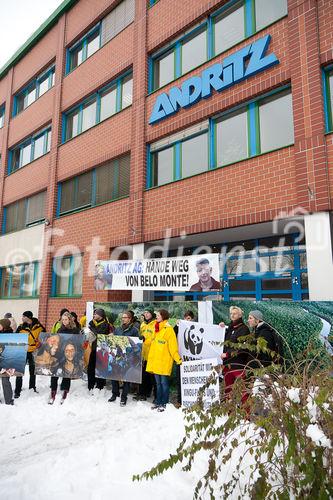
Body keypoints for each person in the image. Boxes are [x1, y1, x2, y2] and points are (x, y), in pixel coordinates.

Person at [146, 309, 182, 412]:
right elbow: (150, 341)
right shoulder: (156, 328)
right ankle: (158, 401)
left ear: (163, 316)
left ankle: (164, 403)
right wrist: (143, 340)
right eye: (156, 314)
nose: (156, 316)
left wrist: (178, 359)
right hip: (156, 362)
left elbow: (173, 347)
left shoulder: (168, 329)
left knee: (164, 384)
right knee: (158, 384)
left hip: (164, 362)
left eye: (158, 315)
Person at [219, 306, 250, 403]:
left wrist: (227, 354)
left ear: (240, 315)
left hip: (238, 364)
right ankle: (229, 412)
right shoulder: (229, 328)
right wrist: (220, 328)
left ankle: (246, 414)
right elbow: (221, 341)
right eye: (231, 313)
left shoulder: (244, 329)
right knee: (228, 390)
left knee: (243, 390)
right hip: (227, 364)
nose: (232, 315)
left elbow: (241, 348)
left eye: (235, 313)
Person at [49, 312, 81, 404]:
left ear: (70, 320)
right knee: (54, 373)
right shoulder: (59, 329)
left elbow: (78, 343)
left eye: (66, 319)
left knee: (67, 373)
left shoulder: (75, 330)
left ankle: (65, 391)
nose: (64, 321)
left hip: (69, 354)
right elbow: (56, 341)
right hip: (59, 353)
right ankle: (53, 392)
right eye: (63, 319)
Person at [108, 311, 139, 406]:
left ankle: (124, 397)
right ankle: (115, 393)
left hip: (128, 357)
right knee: (114, 376)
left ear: (129, 319)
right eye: (122, 317)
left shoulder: (134, 330)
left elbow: (136, 344)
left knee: (126, 378)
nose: (123, 319)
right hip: (118, 356)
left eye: (125, 317)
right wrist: (111, 336)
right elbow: (115, 341)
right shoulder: (118, 329)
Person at [15, 311, 45, 398]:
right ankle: (17, 390)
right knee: (19, 372)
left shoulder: (39, 327)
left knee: (33, 371)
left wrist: (40, 343)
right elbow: (15, 338)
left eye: (24, 316)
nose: (22, 318)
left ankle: (32, 388)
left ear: (29, 317)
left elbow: (45, 337)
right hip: (23, 351)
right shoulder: (20, 327)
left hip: (34, 351)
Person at [173, 310, 195, 408]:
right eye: (185, 317)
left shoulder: (197, 327)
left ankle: (192, 401)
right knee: (180, 380)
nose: (187, 319)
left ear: (192, 319)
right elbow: (173, 334)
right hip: (181, 358)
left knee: (191, 380)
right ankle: (179, 400)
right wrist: (177, 325)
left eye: (189, 318)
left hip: (192, 360)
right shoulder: (180, 327)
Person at [135, 307, 157, 401]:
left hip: (152, 354)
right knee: (143, 375)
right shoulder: (143, 324)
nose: (146, 314)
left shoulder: (156, 324)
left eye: (148, 312)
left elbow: (155, 338)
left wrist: (145, 340)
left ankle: (150, 394)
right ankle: (142, 393)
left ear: (152, 314)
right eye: (145, 313)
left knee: (151, 376)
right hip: (143, 353)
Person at [87, 308, 111, 392]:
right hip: (93, 348)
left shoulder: (105, 324)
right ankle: (90, 385)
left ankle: (100, 385)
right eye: (94, 314)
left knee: (101, 368)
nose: (94, 316)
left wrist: (92, 327)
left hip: (101, 350)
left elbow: (99, 333)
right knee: (91, 367)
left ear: (100, 315)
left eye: (96, 314)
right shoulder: (93, 323)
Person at [0, 319, 14, 405]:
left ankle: (9, 400)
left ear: (4, 326)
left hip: (6, 361)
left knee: (5, 381)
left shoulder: (11, 335)